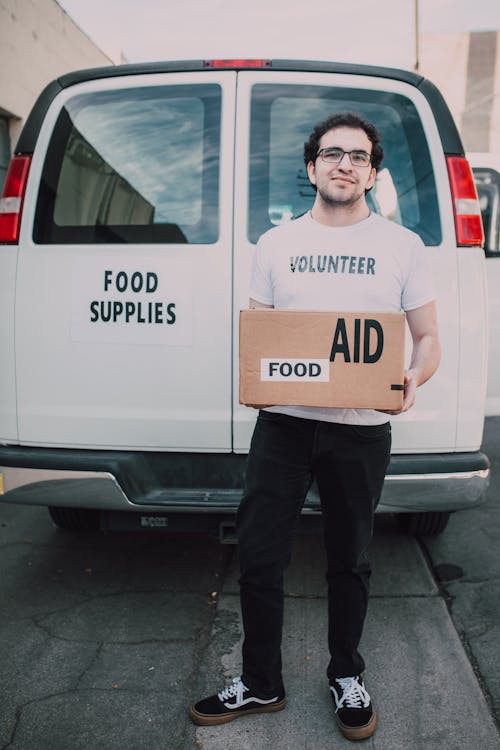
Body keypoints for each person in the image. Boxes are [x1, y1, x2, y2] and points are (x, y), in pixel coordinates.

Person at [189, 112, 441, 741]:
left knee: (350, 558)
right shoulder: (276, 245)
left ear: (372, 172)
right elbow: (261, 336)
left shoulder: (402, 247)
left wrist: (414, 378)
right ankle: (260, 681)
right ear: (312, 168)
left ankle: (346, 674)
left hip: (360, 429)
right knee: (260, 554)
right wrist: (258, 379)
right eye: (332, 153)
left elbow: (428, 338)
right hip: (283, 429)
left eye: (358, 156)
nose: (344, 164)